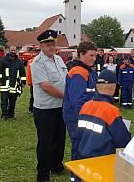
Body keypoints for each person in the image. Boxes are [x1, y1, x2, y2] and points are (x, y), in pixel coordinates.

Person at [32, 30, 68, 182]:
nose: (51, 46)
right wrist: (67, 97)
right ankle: (43, 173)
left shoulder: (59, 59)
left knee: (60, 139)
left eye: (53, 43)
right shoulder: (37, 63)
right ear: (41, 45)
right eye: (47, 44)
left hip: (60, 107)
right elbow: (46, 86)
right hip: (45, 109)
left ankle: (56, 166)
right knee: (46, 142)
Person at [63, 41, 98, 166]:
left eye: (95, 55)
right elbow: (78, 101)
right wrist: (85, 121)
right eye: (91, 55)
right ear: (81, 54)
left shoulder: (86, 70)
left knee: (83, 147)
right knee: (79, 148)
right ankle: (76, 176)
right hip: (77, 118)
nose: (94, 58)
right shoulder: (79, 72)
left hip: (84, 116)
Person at [77, 84, 131, 159]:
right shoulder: (111, 110)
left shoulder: (85, 106)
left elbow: (79, 134)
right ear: (113, 86)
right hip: (103, 159)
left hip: (82, 156)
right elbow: (123, 141)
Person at [0, 46, 26, 120]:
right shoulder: (2, 60)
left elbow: (23, 73)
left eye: (14, 50)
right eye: (12, 50)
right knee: (4, 101)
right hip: (4, 84)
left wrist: (23, 82)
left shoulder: (19, 61)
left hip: (14, 85)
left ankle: (11, 114)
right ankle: (4, 115)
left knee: (13, 101)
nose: (13, 51)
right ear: (9, 51)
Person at [28, 48, 41, 113]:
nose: (38, 53)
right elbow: (29, 73)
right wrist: (30, 82)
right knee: (33, 96)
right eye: (37, 52)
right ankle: (31, 109)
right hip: (34, 82)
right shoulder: (31, 61)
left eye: (39, 51)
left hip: (41, 82)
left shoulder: (43, 60)